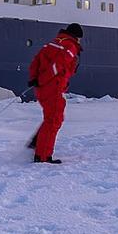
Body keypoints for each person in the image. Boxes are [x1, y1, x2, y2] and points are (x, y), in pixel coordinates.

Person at [27, 23, 83, 164]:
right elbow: (58, 66)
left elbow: (35, 61)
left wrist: (34, 79)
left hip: (42, 88)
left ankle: (36, 144)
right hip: (53, 87)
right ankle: (43, 156)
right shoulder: (70, 46)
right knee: (53, 121)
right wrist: (41, 80)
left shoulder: (52, 43)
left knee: (50, 118)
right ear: (77, 37)